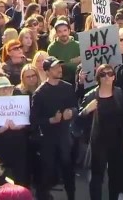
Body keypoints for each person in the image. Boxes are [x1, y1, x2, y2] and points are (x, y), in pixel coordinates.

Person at [78, 65, 123, 200]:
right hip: (98, 143)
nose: (107, 77)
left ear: (114, 76)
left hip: (116, 141)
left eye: (109, 74)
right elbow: (77, 121)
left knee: (115, 176)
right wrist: (87, 111)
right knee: (97, 177)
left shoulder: (118, 93)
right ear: (98, 78)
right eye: (103, 74)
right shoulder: (91, 96)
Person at [30, 56, 77, 200]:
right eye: (55, 67)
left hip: (64, 137)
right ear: (47, 71)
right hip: (48, 140)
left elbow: (76, 107)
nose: (59, 69)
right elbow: (34, 120)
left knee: (68, 171)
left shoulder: (68, 87)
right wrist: (51, 120)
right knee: (47, 173)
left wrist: (72, 112)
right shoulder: (39, 93)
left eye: (60, 66)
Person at [0, 77, 28, 187]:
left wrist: (20, 126)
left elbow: (31, 124)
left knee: (20, 179)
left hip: (18, 147)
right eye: (2, 89)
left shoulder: (20, 104)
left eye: (8, 88)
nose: (6, 91)